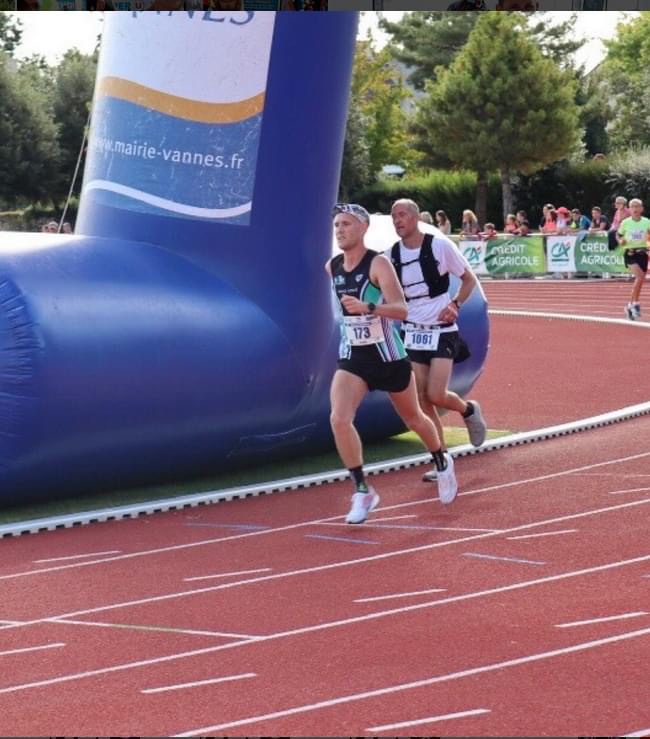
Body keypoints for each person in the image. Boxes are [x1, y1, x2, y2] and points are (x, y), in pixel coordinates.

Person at [327, 203, 458, 523]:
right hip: (354, 355)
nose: (340, 230)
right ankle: (362, 490)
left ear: (363, 227)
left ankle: (442, 461)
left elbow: (401, 310)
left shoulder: (379, 264)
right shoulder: (333, 266)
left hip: (388, 356)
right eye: (337, 225)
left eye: (346, 224)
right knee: (339, 418)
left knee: (414, 418)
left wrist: (368, 307)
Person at [387, 199, 487, 483]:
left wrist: (455, 304)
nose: (397, 220)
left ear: (416, 217)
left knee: (436, 394)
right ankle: (441, 458)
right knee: (421, 398)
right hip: (412, 331)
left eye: (402, 215)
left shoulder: (439, 246)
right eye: (393, 216)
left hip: (441, 329)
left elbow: (468, 279)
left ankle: (468, 410)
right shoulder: (391, 254)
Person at [617, 198, 650, 321]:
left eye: (637, 206)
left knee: (640, 280)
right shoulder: (625, 222)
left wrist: (648, 246)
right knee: (640, 277)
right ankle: (635, 304)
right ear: (629, 209)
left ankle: (630, 305)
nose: (635, 209)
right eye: (633, 206)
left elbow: (649, 237)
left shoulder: (647, 222)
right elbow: (618, 235)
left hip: (642, 253)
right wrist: (621, 241)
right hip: (630, 253)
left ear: (642, 209)